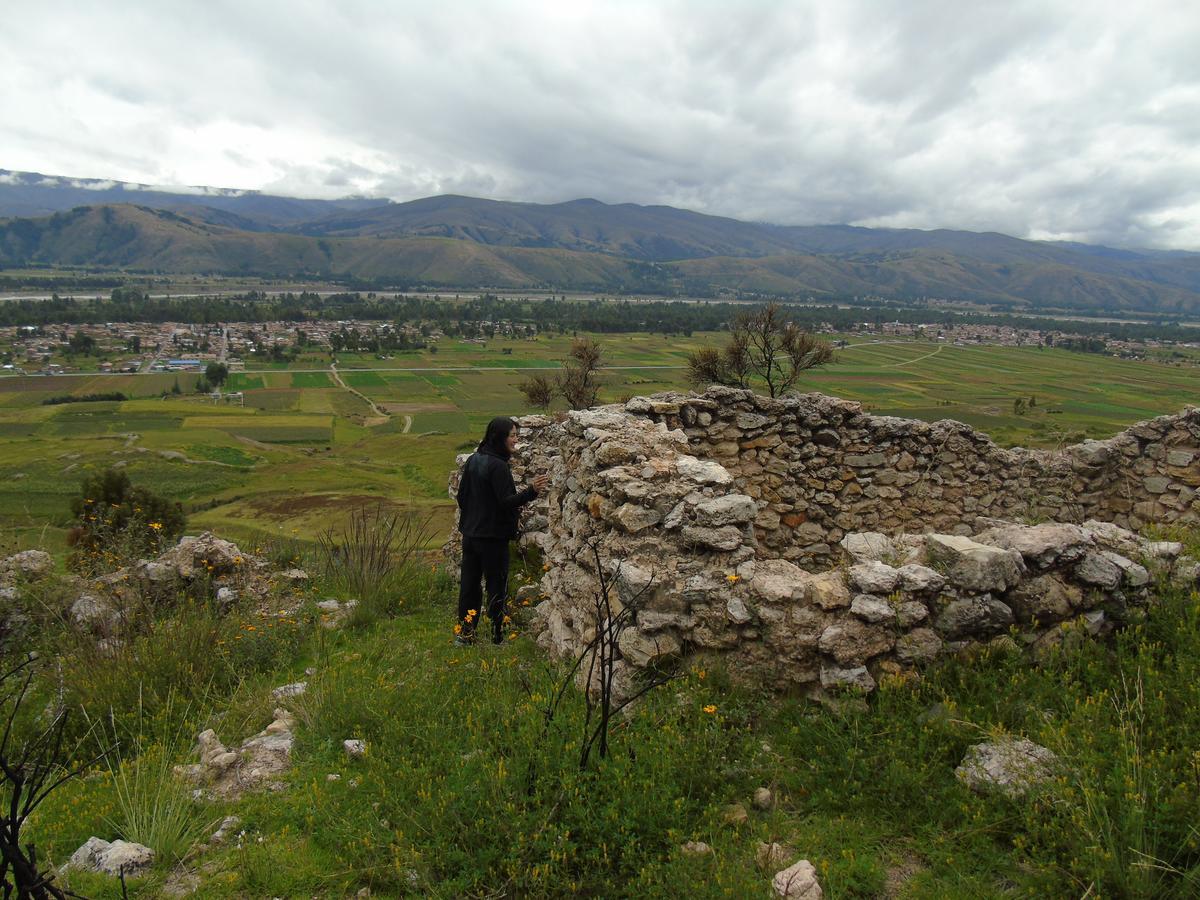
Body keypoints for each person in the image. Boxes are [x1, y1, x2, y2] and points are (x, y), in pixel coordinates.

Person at [455, 417, 549, 644]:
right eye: (512, 435)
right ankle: (498, 636)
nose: (516, 440)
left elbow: (461, 496)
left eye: (517, 435)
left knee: (469, 586)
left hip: (470, 536)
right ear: (499, 437)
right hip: (492, 539)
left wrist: (473, 517)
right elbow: (507, 502)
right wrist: (532, 491)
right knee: (497, 587)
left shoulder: (475, 459)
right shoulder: (498, 466)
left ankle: (465, 634)